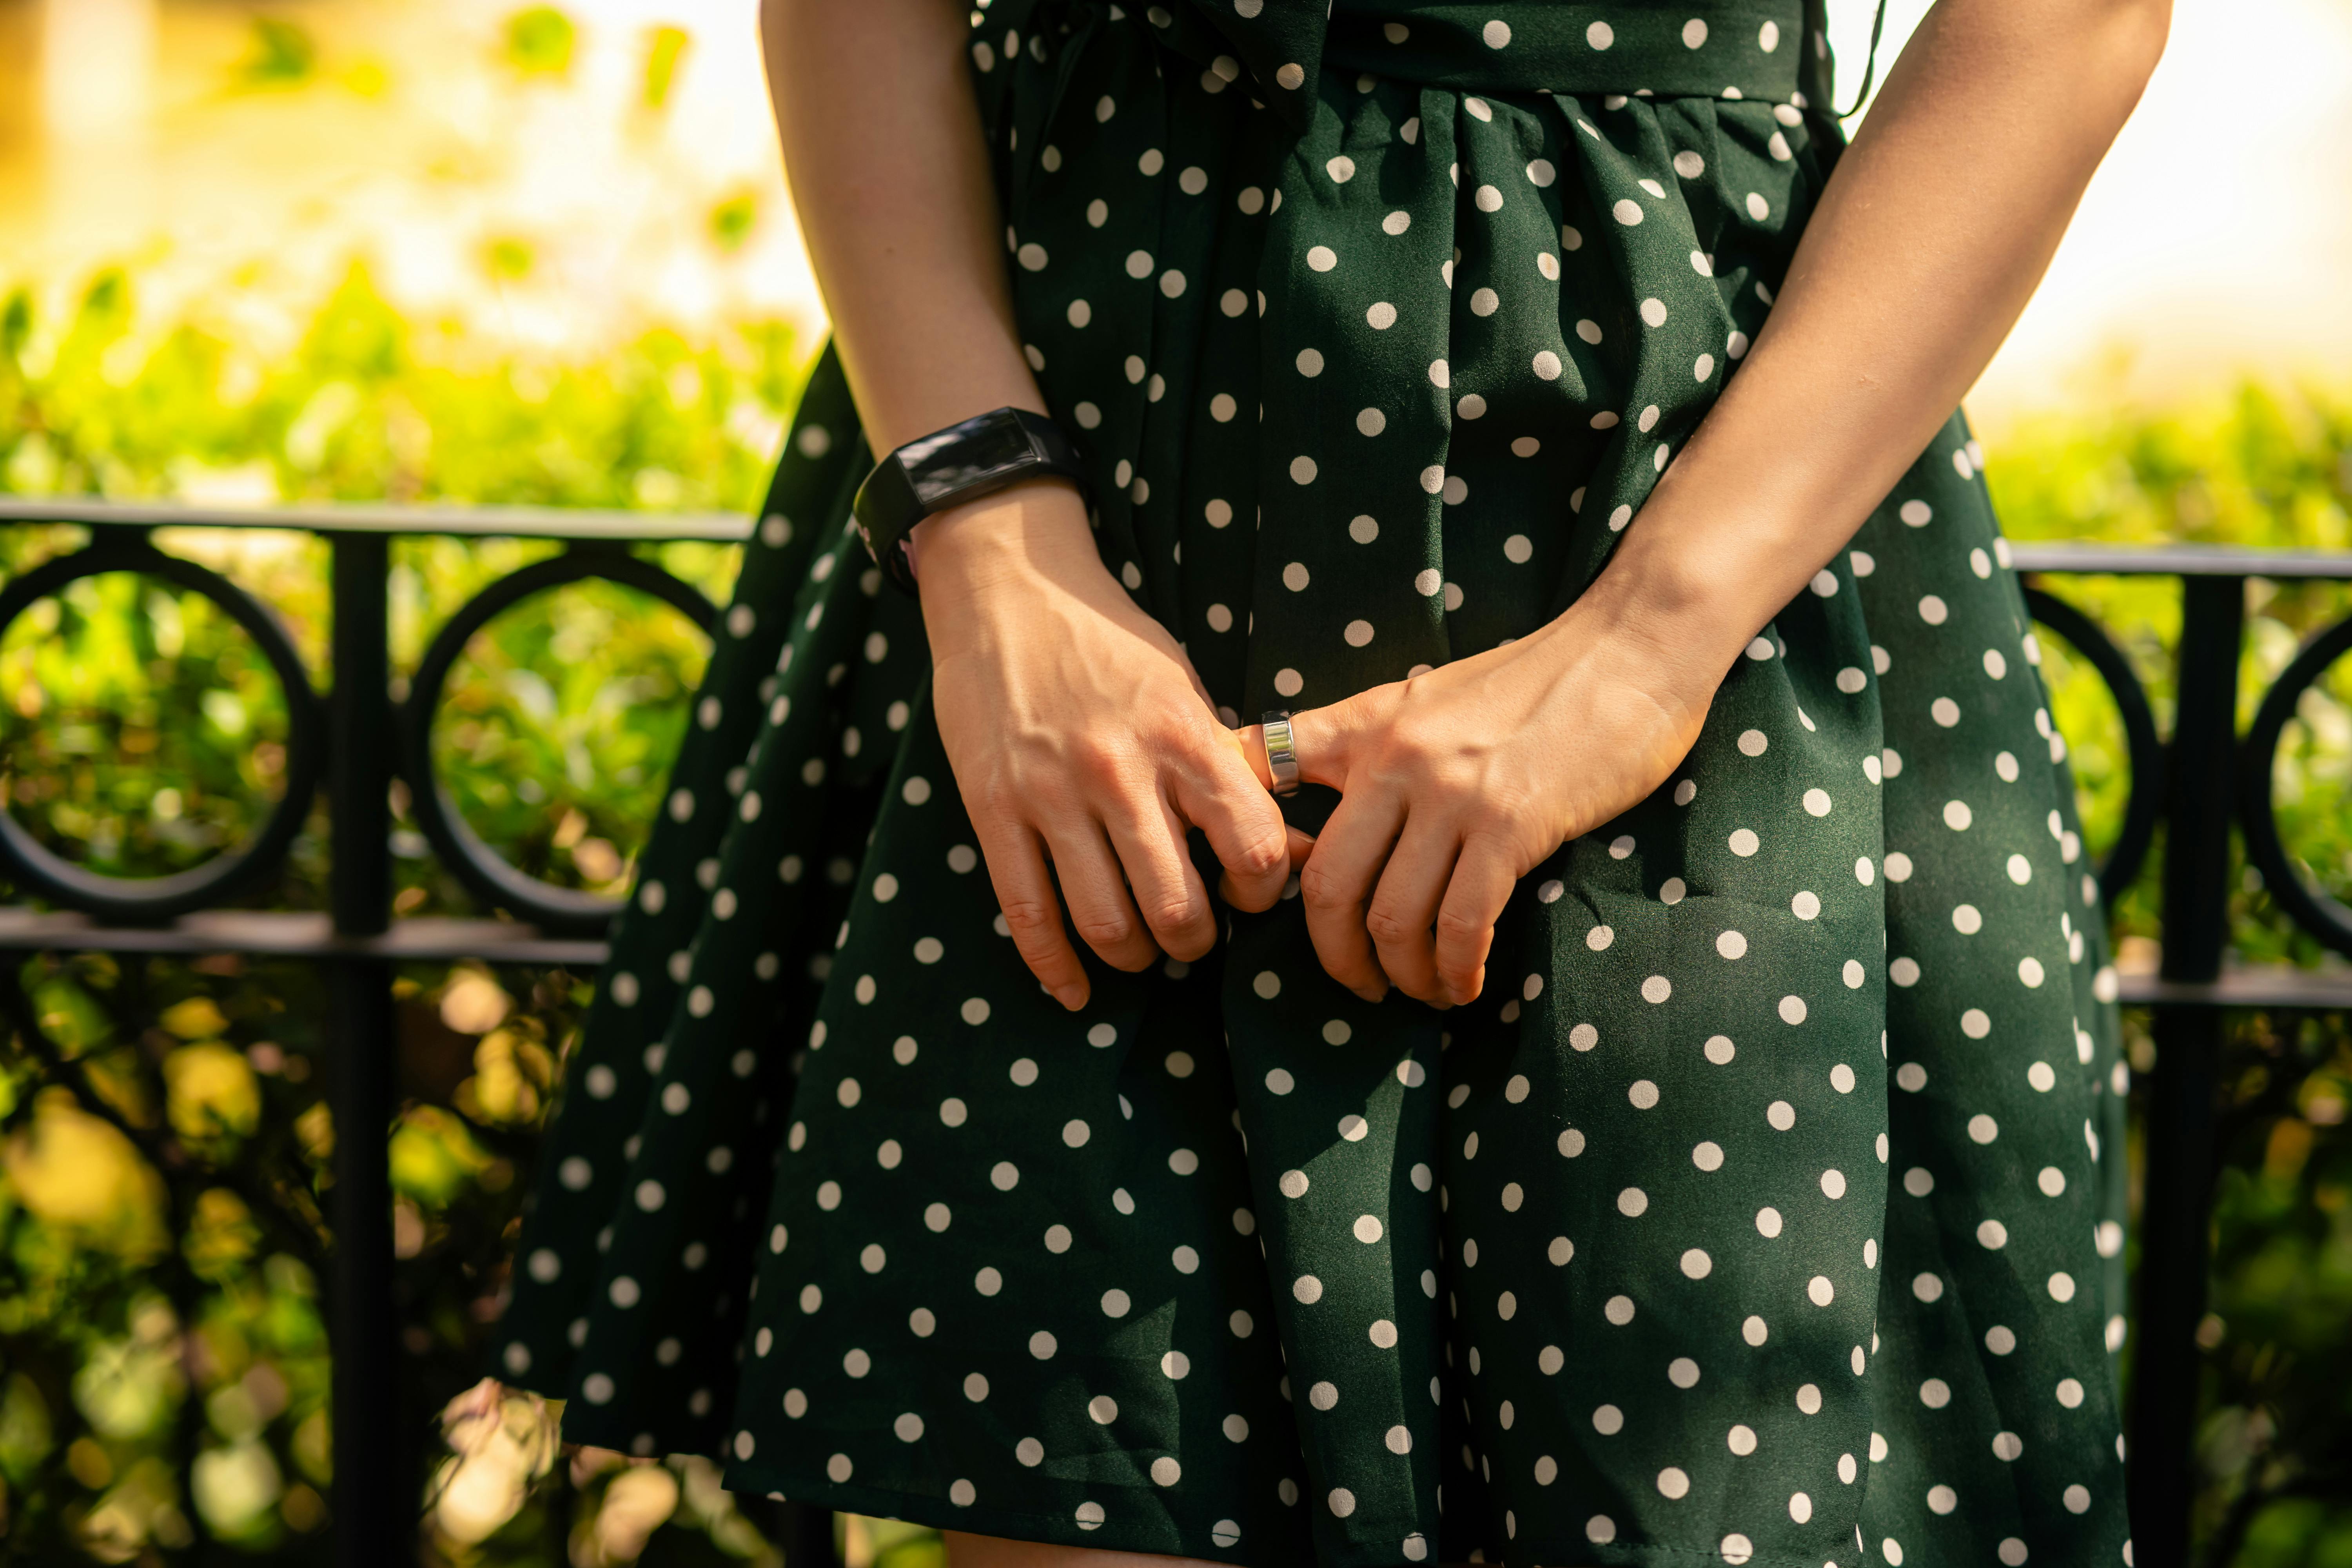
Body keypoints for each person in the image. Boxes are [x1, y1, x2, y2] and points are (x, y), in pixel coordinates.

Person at [495, 0, 2169, 1562]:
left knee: (1685, 1484)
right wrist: (991, 541)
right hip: (1055, 533)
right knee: (1069, 1475)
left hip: (1673, 535)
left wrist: (1648, 641)